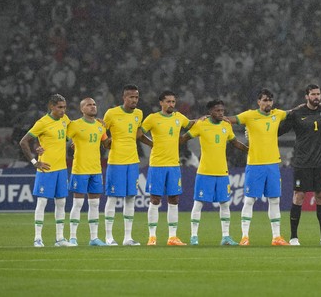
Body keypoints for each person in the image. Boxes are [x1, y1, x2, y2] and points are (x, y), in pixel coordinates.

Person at [226, 88, 290, 246]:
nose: (267, 103)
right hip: (255, 164)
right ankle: (245, 236)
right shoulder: (249, 115)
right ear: (258, 102)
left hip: (273, 164)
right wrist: (210, 117)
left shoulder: (278, 114)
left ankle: (276, 237)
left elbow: (296, 112)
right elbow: (229, 119)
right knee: (249, 200)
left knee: (274, 200)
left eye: (270, 100)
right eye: (264, 100)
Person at [181, 99, 249, 246]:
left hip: (222, 172)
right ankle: (194, 236)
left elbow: (235, 142)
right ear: (210, 112)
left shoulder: (226, 125)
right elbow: (184, 138)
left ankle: (225, 236)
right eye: (217, 111)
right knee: (198, 203)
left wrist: (250, 150)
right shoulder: (201, 124)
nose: (221, 113)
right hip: (204, 171)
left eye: (222, 111)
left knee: (225, 204)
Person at [278, 84, 321, 246]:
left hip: (319, 163)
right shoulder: (296, 113)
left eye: (318, 94)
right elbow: (278, 131)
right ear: (306, 96)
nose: (316, 97)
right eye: (313, 94)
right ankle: (293, 237)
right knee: (299, 196)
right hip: (302, 162)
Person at [141, 90, 195, 246]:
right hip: (157, 165)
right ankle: (152, 236)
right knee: (155, 199)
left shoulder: (179, 117)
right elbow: (139, 133)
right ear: (161, 103)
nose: (171, 104)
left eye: (173, 102)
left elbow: (190, 124)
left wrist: (202, 119)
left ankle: (172, 236)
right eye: (168, 101)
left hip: (173, 165)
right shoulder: (152, 118)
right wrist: (151, 143)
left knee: (174, 199)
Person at [19, 93, 73, 247]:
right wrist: (35, 161)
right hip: (46, 168)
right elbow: (23, 142)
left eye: (64, 107)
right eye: (60, 107)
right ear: (51, 107)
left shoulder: (65, 120)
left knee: (61, 203)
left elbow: (71, 131)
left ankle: (60, 238)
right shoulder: (42, 123)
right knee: (42, 202)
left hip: (61, 169)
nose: (63, 110)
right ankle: (37, 238)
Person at [103, 84, 153, 246]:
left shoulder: (139, 114)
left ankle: (127, 238)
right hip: (116, 161)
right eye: (131, 97)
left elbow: (138, 135)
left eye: (136, 97)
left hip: (133, 162)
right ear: (124, 98)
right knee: (112, 198)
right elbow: (100, 131)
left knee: (131, 198)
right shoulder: (111, 113)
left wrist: (155, 144)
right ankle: (109, 237)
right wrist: (106, 142)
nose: (134, 100)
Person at [67, 97, 111, 246]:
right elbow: (60, 139)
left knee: (94, 204)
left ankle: (94, 238)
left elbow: (106, 144)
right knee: (78, 203)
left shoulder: (100, 125)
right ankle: (73, 237)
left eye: (94, 104)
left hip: (96, 170)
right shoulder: (74, 125)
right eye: (88, 105)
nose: (92, 107)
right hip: (80, 169)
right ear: (82, 109)